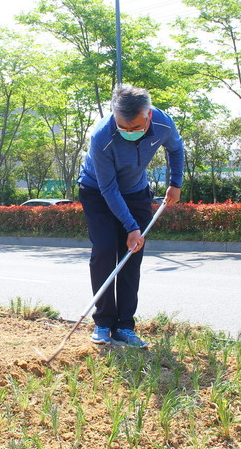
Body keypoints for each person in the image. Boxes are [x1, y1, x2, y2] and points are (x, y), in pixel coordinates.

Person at [78, 85, 184, 348]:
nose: (127, 132)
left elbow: (176, 148)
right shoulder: (102, 136)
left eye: (135, 127)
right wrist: (130, 226)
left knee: (131, 255)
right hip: (97, 191)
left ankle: (124, 326)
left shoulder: (163, 123)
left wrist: (176, 182)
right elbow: (108, 189)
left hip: (136, 191)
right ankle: (103, 322)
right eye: (122, 126)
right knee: (105, 251)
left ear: (148, 115)